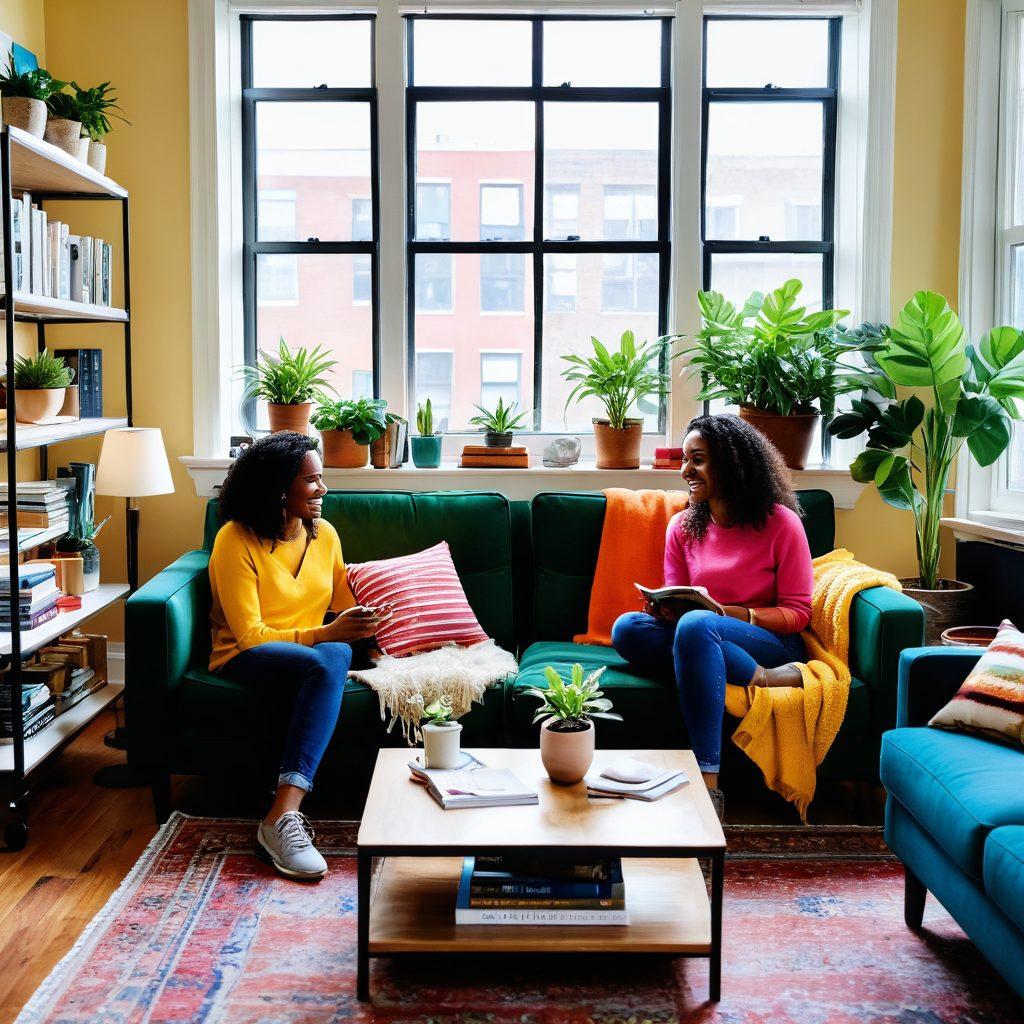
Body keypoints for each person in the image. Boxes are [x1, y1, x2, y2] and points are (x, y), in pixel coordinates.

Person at [610, 414, 813, 820]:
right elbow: (682, 601)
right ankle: (757, 676)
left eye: (697, 459)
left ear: (732, 462)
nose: (686, 470)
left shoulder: (780, 523)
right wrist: (664, 607)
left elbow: (798, 613)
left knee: (697, 626)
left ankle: (708, 783)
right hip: (701, 634)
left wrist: (735, 614)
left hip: (769, 639)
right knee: (627, 629)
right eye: (685, 460)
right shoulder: (682, 527)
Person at [209, 431, 388, 880]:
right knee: (328, 655)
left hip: (311, 652)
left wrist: (373, 622)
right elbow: (250, 636)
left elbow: (344, 601)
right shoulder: (235, 540)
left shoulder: (324, 533)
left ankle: (283, 813)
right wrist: (328, 633)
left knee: (332, 655)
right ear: (278, 488)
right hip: (247, 655)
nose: (323, 490)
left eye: (322, 478)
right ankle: (280, 819)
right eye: (311, 481)